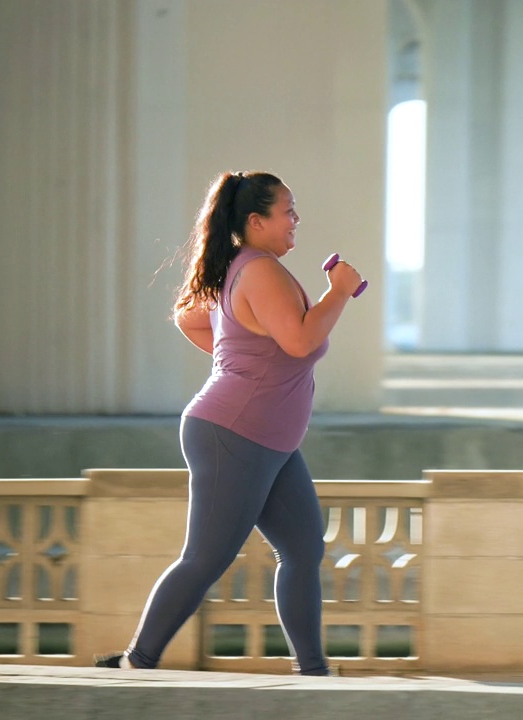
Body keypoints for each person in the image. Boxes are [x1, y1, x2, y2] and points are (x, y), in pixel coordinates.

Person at [95, 171, 363, 675]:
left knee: (303, 548)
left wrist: (238, 356)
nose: (296, 219)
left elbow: (192, 319)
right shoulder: (259, 269)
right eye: (288, 210)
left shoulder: (244, 267)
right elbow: (302, 342)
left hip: (270, 440)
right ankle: (137, 661)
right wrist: (340, 292)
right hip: (235, 433)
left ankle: (313, 673)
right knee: (206, 559)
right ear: (256, 221)